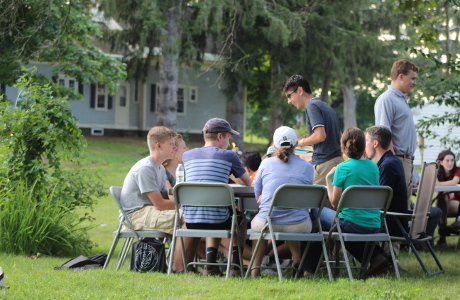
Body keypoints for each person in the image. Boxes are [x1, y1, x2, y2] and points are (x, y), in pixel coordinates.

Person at [303, 127, 392, 277]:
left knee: (316, 213)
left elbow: (334, 203)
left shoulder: (343, 168)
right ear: (363, 146)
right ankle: (377, 258)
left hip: (352, 225)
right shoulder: (373, 167)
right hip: (374, 224)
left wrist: (328, 180)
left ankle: (308, 269)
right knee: (329, 223)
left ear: (343, 146)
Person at [182, 117, 252, 276]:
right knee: (238, 217)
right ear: (220, 136)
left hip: (191, 219)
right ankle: (236, 266)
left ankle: (211, 265)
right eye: (228, 138)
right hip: (218, 218)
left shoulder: (187, 156)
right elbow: (247, 182)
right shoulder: (229, 156)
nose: (228, 143)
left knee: (214, 209)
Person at [119, 127, 188, 272]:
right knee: (188, 219)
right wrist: (184, 206)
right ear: (158, 146)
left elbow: (165, 197)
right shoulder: (145, 168)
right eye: (171, 144)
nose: (174, 147)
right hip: (136, 215)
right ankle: (178, 267)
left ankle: (183, 265)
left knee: (192, 216)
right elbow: (160, 204)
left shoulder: (160, 169)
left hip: (149, 211)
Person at [249, 126, 314, 279]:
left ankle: (254, 271)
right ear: (296, 145)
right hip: (299, 224)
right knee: (293, 215)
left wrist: (264, 198)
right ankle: (297, 261)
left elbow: (256, 193)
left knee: (259, 229)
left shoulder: (265, 164)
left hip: (268, 222)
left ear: (275, 145)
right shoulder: (307, 167)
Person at [282, 75, 343, 191]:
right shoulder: (324, 105)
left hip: (324, 166)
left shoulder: (312, 106)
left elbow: (320, 136)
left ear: (300, 90)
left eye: (289, 96)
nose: (289, 101)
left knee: (316, 207)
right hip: (335, 162)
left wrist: (300, 142)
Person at [375, 59, 418, 208]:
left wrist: (414, 173)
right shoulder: (386, 99)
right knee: (397, 209)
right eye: (412, 78)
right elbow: (383, 136)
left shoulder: (400, 99)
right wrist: (396, 165)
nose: (415, 83)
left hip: (406, 162)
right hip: (397, 161)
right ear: (401, 76)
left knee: (405, 209)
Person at [365, 125, 408, 237]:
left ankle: (376, 255)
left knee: (347, 226)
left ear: (375, 143)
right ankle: (376, 255)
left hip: (391, 224)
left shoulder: (387, 165)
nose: (364, 145)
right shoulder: (391, 161)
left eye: (366, 141)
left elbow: (380, 203)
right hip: (392, 220)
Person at [435, 150, 460, 246]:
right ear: (441, 162)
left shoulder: (457, 170)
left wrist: (439, 184)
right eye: (447, 160)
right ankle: (443, 229)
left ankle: (443, 232)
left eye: (452, 160)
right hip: (442, 205)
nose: (450, 163)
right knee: (442, 198)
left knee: (441, 204)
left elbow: (454, 181)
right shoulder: (437, 172)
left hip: (456, 205)